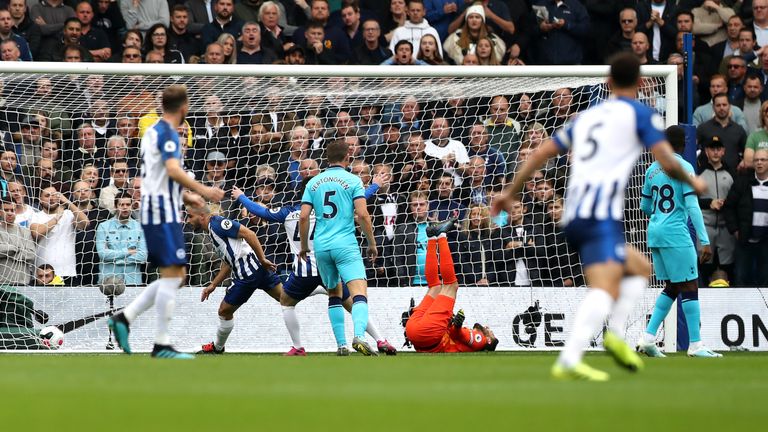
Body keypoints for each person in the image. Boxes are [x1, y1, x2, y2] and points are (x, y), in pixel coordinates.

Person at [494, 53, 708, 381]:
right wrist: (692, 180)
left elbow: (539, 153)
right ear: (640, 83)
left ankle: (616, 336)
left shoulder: (585, 118)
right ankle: (573, 356)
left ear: (608, 83)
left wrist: (510, 192)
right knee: (605, 288)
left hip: (576, 212)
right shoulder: (641, 114)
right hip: (598, 215)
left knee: (640, 267)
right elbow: (665, 158)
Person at [108, 84, 225, 360]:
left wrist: (186, 197)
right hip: (160, 211)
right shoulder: (169, 134)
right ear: (184, 107)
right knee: (174, 276)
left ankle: (125, 318)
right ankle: (160, 343)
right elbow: (172, 170)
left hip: (162, 207)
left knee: (177, 276)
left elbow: (158, 177)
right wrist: (205, 191)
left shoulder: (150, 133)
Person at [232, 182, 397, 356]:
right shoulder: (328, 212)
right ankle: (379, 340)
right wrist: (375, 185)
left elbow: (261, 212)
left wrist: (242, 196)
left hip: (304, 271)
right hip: (328, 265)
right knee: (350, 303)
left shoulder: (288, 213)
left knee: (286, 302)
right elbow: (357, 199)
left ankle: (298, 347)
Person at [637, 125, 720, 358]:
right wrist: (704, 240)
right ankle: (696, 345)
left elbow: (644, 207)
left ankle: (648, 338)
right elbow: (692, 205)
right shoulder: (684, 167)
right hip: (675, 233)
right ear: (683, 143)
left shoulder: (651, 170)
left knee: (672, 287)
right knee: (691, 285)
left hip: (654, 233)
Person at [299, 139, 378, 356]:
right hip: (345, 244)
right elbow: (362, 214)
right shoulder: (353, 181)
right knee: (359, 291)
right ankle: (359, 336)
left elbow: (304, 216)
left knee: (334, 292)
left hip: (322, 246)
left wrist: (305, 246)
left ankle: (341, 345)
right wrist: (371, 243)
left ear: (326, 159)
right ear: (348, 157)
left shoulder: (313, 183)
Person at [185, 201, 282, 355]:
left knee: (224, 311)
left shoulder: (218, 223)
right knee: (286, 297)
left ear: (202, 215)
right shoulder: (212, 230)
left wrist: (263, 258)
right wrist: (213, 285)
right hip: (256, 269)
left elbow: (250, 233)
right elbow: (228, 262)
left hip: (248, 274)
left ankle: (217, 347)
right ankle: (323, 288)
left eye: (190, 216)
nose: (188, 220)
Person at [404, 218, 499, 353]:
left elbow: (457, 334)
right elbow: (454, 335)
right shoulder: (468, 345)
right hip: (415, 332)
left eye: (491, 333)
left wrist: (458, 325)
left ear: (489, 340)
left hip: (427, 335)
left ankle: (442, 235)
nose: (488, 328)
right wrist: (455, 324)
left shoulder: (481, 340)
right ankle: (431, 237)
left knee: (451, 285)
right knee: (435, 287)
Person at [723, 148, 768, 286]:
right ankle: (740, 308)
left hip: (766, 241)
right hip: (744, 240)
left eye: (763, 160)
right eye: (756, 160)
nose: (759, 163)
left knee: (766, 279)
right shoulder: (742, 182)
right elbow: (728, 206)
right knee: (741, 278)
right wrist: (735, 230)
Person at [29, 186, 89, 282]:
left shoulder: (69, 214)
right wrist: (57, 217)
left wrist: (68, 202)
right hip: (43, 274)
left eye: (54, 195)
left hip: (67, 272)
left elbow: (85, 223)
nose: (51, 198)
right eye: (47, 195)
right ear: (40, 200)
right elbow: (37, 233)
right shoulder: (35, 216)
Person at [95, 192, 147, 286]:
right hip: (108, 281)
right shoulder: (103, 227)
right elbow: (102, 254)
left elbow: (143, 256)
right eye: (121, 204)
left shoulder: (140, 228)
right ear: (115, 206)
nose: (125, 207)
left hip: (133, 281)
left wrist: (118, 260)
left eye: (128, 204)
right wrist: (127, 251)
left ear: (131, 206)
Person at [0, 196, 35, 287]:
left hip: (22, 283)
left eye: (12, 210)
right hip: (2, 284)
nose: (10, 213)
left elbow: (31, 255)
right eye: (6, 210)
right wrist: (15, 248)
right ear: (0, 212)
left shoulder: (25, 231)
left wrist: (7, 252)